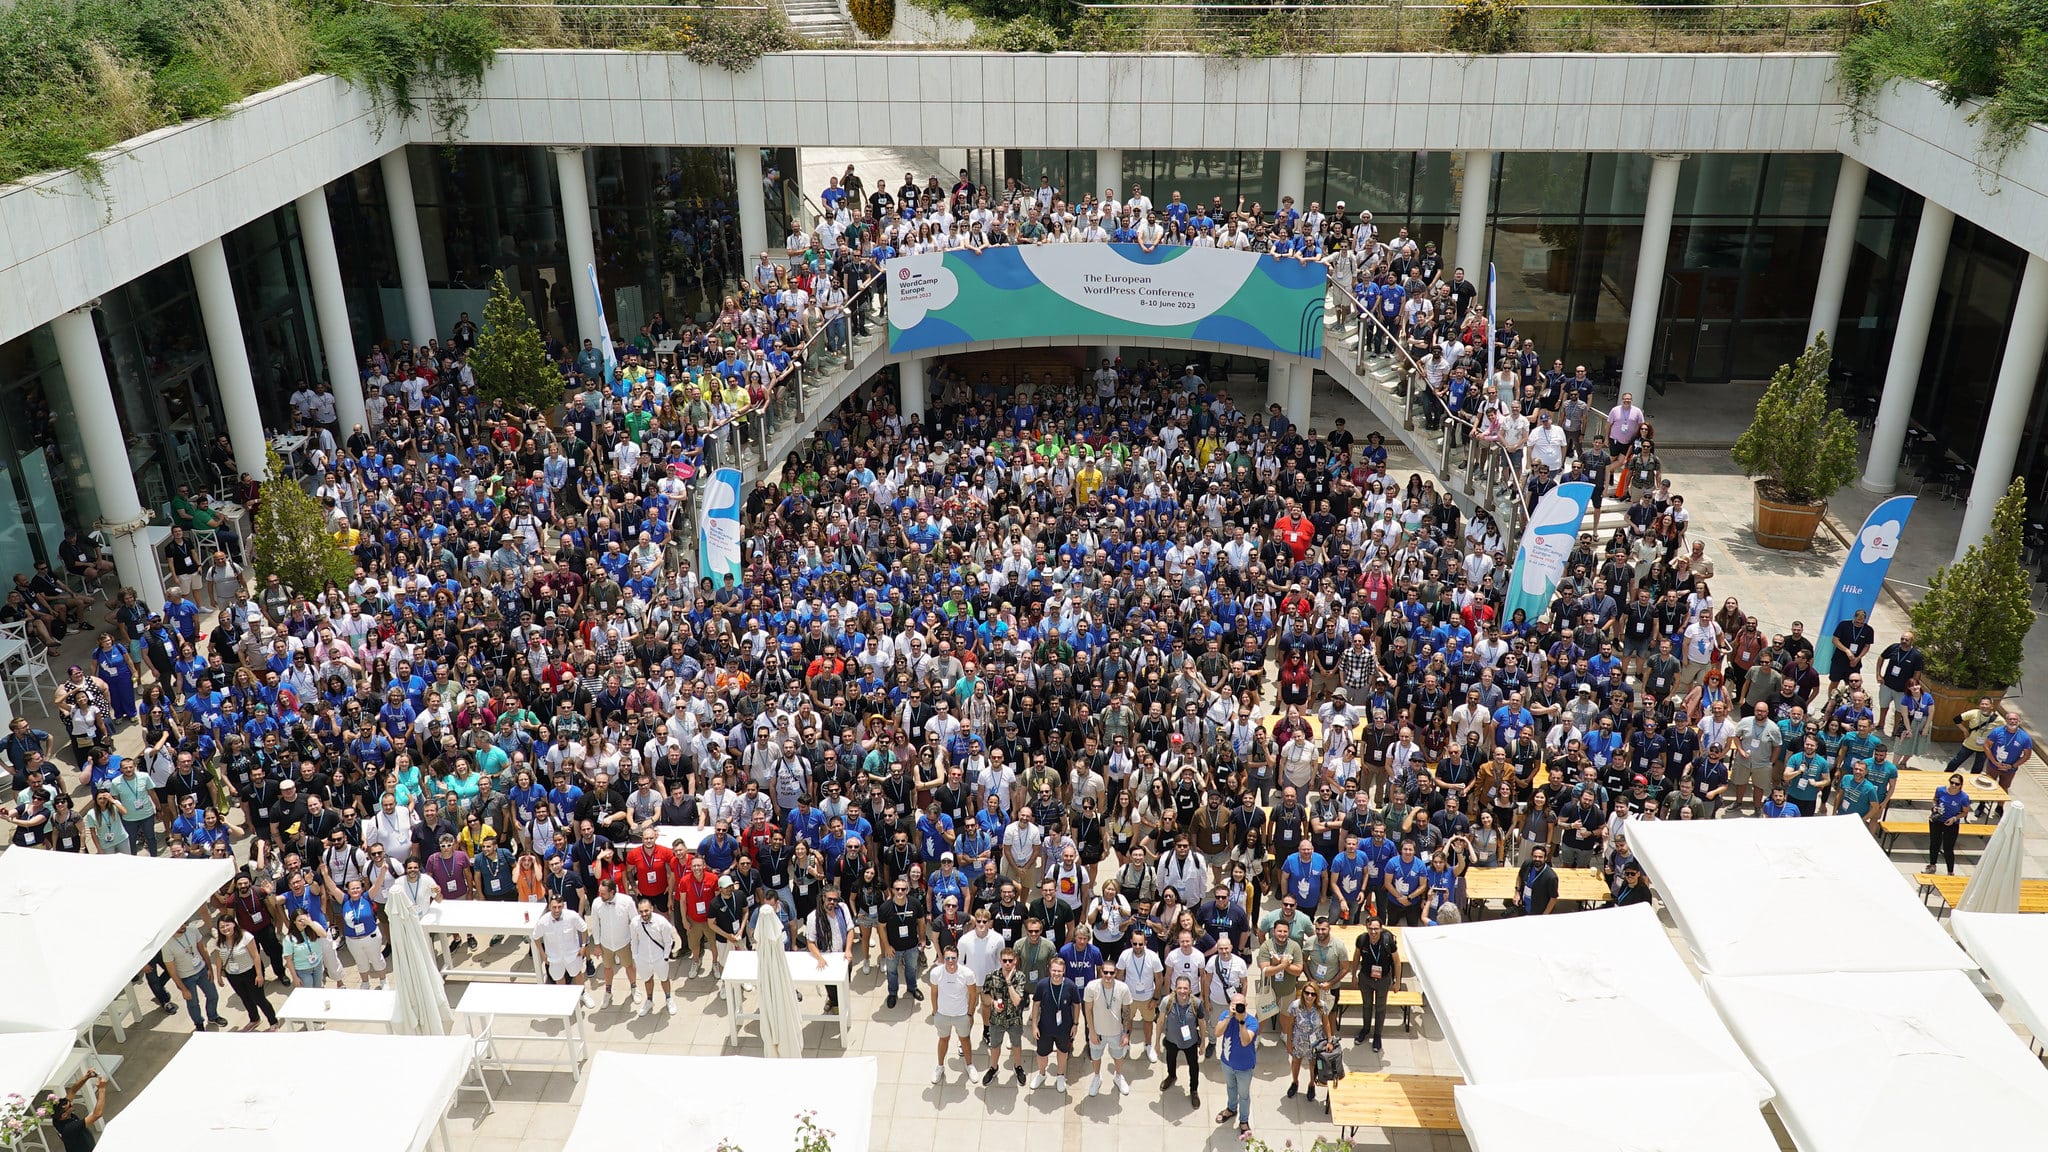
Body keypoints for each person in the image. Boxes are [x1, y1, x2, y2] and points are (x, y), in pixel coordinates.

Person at [161, 912, 228, 1031]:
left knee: (213, 995)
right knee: (193, 1003)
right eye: (180, 924)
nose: (184, 926)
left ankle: (213, 1016)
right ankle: (199, 1024)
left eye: (185, 923)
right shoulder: (167, 945)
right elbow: (171, 970)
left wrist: (209, 968)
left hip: (202, 970)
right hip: (186, 977)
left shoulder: (192, 930)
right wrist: (183, 989)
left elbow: (202, 949)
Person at [927, 944, 980, 1083]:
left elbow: (973, 994)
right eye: (948, 958)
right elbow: (934, 993)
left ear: (958, 958)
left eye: (953, 958)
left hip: (961, 1015)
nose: (951, 961)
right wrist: (935, 1011)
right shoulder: (936, 973)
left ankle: (969, 1065)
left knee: (965, 1040)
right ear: (943, 959)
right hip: (942, 1015)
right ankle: (940, 1066)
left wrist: (970, 1014)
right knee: (943, 1040)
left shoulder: (967, 973)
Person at [980, 946, 1032, 1086]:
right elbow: (984, 996)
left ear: (1015, 961)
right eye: (1005, 961)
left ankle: (1017, 1066)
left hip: (1015, 1020)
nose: (1008, 963)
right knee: (995, 1045)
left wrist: (1009, 982)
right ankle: (994, 1068)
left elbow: (1017, 1001)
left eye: (1010, 960)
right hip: (996, 1020)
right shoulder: (991, 976)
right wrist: (992, 1003)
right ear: (1000, 961)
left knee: (1016, 1044)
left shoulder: (1020, 977)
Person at [1082, 959, 1134, 1097]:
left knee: (1118, 1057)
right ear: (1101, 972)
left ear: (1116, 973)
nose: (1108, 976)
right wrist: (1091, 1032)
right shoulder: (1092, 987)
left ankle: (1118, 1076)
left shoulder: (1123, 988)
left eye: (1111, 973)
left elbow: (1127, 1012)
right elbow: (1088, 1010)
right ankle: (1097, 1077)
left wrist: (1125, 1034)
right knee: (1096, 1057)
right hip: (1097, 1032)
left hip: (1116, 1032)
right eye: (1106, 972)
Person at [1028, 955, 1079, 1093]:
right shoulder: (1042, 985)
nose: (1056, 974)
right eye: (1054, 970)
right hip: (1045, 1028)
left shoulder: (1070, 986)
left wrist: (1075, 1024)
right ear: (1049, 970)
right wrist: (1034, 1025)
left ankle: (1061, 1075)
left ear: (1064, 971)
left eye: (1059, 971)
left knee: (1062, 1052)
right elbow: (1036, 1004)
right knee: (1041, 1054)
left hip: (1064, 1028)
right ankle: (1042, 1074)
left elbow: (1076, 1005)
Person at [1215, 991, 1260, 1136]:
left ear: (1246, 1006)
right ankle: (1231, 1109)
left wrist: (1241, 1022)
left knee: (1244, 1094)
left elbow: (1245, 1041)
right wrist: (1229, 1016)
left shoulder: (1252, 1022)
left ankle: (1244, 1120)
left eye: (1241, 1005)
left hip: (1244, 1067)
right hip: (1227, 1063)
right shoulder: (1225, 1016)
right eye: (1235, 1005)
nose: (1238, 1008)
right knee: (1231, 1087)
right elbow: (1217, 1032)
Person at [1353, 915, 1400, 1051]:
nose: (1373, 932)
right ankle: (1365, 1029)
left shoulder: (1387, 941)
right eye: (1370, 929)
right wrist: (1354, 975)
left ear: (1381, 929)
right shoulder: (1362, 939)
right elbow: (1356, 957)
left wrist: (1397, 982)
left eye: (1376, 929)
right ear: (1367, 928)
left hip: (1383, 979)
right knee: (1366, 1005)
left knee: (1380, 1008)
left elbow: (1397, 962)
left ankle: (1377, 1035)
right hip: (1366, 978)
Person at [1158, 974, 1204, 1107]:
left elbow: (1202, 1023)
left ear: (1190, 989)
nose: (1182, 991)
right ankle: (1171, 1076)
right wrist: (1156, 1043)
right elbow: (1160, 1021)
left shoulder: (1197, 1003)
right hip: (1172, 1040)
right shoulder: (1167, 1001)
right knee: (1170, 1060)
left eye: (1185, 988)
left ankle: (1194, 1090)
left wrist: (1202, 1044)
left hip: (1190, 1042)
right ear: (1174, 988)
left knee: (1193, 1067)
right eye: (1179, 988)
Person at [1287, 977, 1334, 1102]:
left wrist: (1329, 1040)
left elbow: (1326, 1024)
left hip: (1315, 1043)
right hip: (1299, 1041)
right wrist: (1289, 1043)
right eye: (1307, 993)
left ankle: (1312, 1084)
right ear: (1303, 993)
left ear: (1316, 995)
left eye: (1313, 994)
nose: (1309, 996)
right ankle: (1295, 1082)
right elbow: (1290, 1025)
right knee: (1296, 1062)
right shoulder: (1295, 1006)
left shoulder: (1321, 1006)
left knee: (1313, 1064)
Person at [48, 1065, 108, 1152]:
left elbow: (72, 1091)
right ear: (64, 1115)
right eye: (70, 1106)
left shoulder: (57, 1118)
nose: (71, 1103)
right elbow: (97, 1114)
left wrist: (86, 1077)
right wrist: (102, 1089)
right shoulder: (70, 1128)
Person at [1927, 774, 1973, 876]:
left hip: (1951, 823)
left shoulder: (1963, 797)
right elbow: (1935, 799)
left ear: (1961, 785)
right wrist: (1935, 807)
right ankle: (1932, 865)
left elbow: (1965, 812)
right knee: (1934, 843)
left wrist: (1954, 818)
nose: (1953, 785)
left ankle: (1950, 871)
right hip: (1937, 820)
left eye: (1957, 784)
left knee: (1948, 848)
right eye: (1952, 782)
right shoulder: (1940, 790)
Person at [1512, 844, 1559, 916]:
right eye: (1535, 856)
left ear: (1545, 858)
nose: (1537, 859)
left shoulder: (1551, 877)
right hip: (1523, 906)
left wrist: (1544, 915)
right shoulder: (1527, 863)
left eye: (1540, 857)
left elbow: (1553, 898)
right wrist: (1517, 893)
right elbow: (1519, 876)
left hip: (1538, 911)